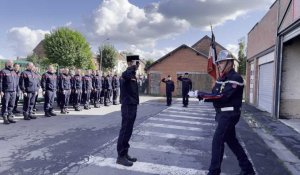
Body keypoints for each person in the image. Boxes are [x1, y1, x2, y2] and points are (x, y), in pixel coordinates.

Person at [197, 50, 255, 175]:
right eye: (218, 63)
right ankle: (248, 169)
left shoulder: (236, 78)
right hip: (221, 115)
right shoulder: (221, 79)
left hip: (230, 115)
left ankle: (214, 172)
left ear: (230, 63)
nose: (219, 65)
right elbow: (214, 94)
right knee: (232, 142)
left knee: (217, 141)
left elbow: (223, 97)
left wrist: (205, 96)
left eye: (222, 62)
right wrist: (203, 95)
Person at [116, 55, 140, 167]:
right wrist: (132, 67)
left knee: (129, 130)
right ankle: (120, 157)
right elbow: (125, 75)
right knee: (125, 130)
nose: (138, 65)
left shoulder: (132, 75)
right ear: (130, 63)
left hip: (133, 105)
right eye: (137, 62)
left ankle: (125, 153)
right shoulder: (126, 74)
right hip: (127, 106)